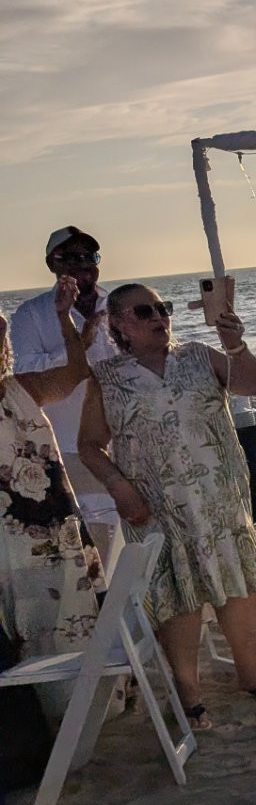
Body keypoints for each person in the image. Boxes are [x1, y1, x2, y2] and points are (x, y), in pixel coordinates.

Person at [79, 285, 256, 721]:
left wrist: (235, 344)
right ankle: (188, 692)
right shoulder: (106, 377)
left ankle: (251, 675)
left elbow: (255, 383)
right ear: (118, 324)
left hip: (218, 498)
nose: (159, 317)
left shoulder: (197, 356)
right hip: (156, 507)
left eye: (164, 308)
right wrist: (119, 486)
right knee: (178, 596)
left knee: (237, 586)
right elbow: (89, 444)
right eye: (144, 311)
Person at [0, 281, 106, 674]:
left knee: (68, 616)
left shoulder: (21, 389)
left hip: (53, 527)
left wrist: (64, 318)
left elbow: (77, 371)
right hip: (7, 542)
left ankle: (79, 692)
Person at [8, 227, 120, 539]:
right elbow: (27, 378)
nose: (83, 264)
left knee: (143, 539)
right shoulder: (31, 314)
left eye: (89, 256)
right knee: (98, 540)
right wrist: (77, 345)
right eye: (71, 257)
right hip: (71, 446)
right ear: (52, 264)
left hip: (128, 439)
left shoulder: (117, 304)